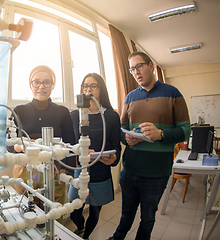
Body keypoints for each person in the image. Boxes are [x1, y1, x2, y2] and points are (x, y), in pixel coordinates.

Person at [107, 52, 191, 240]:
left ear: (151, 66)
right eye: (131, 69)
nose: (135, 72)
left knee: (147, 219)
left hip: (157, 173)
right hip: (130, 170)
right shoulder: (129, 97)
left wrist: (161, 134)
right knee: (126, 213)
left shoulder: (172, 93)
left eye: (139, 66)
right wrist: (126, 138)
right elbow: (122, 128)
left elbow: (186, 129)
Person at [10, 65, 75, 221]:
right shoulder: (19, 111)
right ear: (30, 84)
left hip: (53, 171)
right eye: (36, 82)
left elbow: (70, 144)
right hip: (24, 171)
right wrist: (19, 146)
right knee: (26, 216)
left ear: (53, 85)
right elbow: (8, 144)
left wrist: (67, 172)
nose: (41, 86)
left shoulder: (62, 112)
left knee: (55, 218)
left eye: (47, 82)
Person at [68, 73, 121, 239]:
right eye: (85, 86)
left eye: (93, 86)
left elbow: (115, 146)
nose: (88, 89)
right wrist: (78, 153)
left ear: (101, 89)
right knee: (73, 211)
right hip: (80, 171)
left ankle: (85, 236)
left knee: (95, 212)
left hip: (101, 172)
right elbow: (68, 145)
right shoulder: (74, 115)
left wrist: (114, 159)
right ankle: (80, 225)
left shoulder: (111, 116)